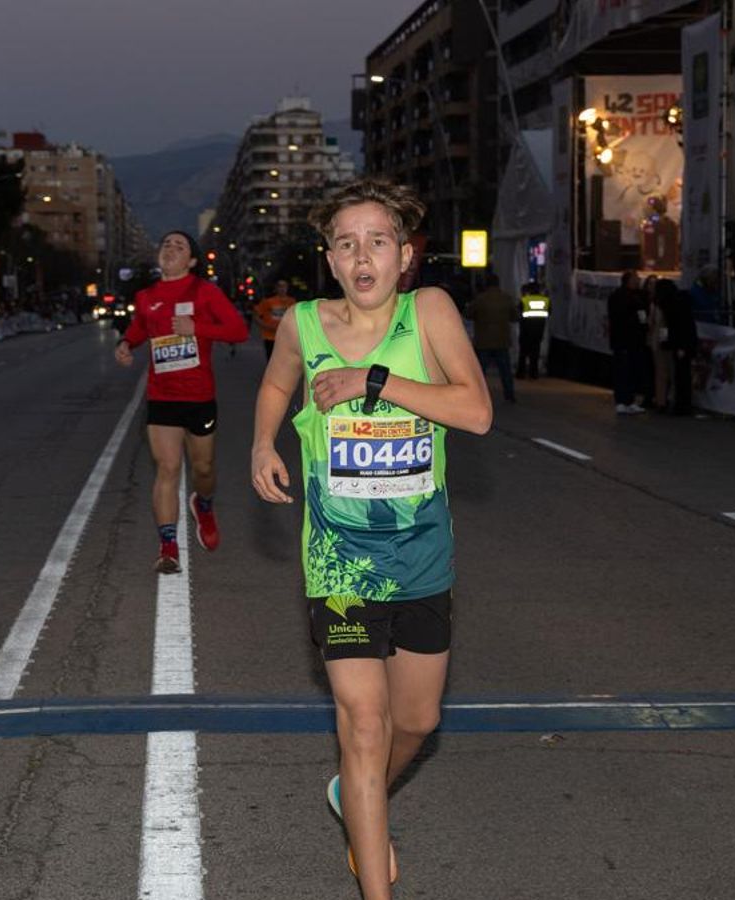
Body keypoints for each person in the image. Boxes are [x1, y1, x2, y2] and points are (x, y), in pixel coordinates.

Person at [250, 177, 491, 899]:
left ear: (405, 255)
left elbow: (475, 411)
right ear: (330, 260)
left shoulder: (431, 313)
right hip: (340, 562)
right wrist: (263, 442)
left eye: (378, 241)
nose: (363, 256)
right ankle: (372, 863)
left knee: (416, 722)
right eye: (347, 243)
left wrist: (372, 380)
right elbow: (273, 385)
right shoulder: (302, 323)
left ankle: (356, 802)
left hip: (422, 557)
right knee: (363, 723)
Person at [115, 230, 249, 573]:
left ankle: (203, 505)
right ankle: (168, 547)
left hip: (199, 397)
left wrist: (197, 327)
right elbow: (140, 328)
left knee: (203, 469)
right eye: (166, 244)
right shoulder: (147, 297)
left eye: (180, 246)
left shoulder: (205, 292)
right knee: (168, 467)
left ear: (191, 261)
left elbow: (238, 331)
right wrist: (126, 345)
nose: (170, 248)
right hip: (162, 397)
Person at [468, 272, 519, 403]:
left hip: (483, 340)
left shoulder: (480, 299)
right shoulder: (506, 298)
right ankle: (509, 395)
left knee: (480, 372)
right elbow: (515, 317)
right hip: (502, 340)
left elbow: (468, 314)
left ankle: (477, 396)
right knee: (505, 371)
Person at [607, 271, 648, 414]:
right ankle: (621, 400)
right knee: (623, 370)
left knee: (633, 370)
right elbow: (618, 319)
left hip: (634, 341)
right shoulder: (619, 297)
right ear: (628, 281)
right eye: (635, 279)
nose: (638, 281)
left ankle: (630, 400)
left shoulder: (638, 296)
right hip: (623, 340)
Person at [654, 279, 697, 415]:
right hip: (683, 342)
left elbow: (679, 326)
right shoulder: (679, 301)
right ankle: (682, 404)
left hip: (680, 343)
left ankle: (682, 405)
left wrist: (680, 346)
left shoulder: (673, 304)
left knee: (681, 374)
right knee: (681, 374)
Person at [254, 279, 298, 359]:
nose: (282, 289)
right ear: (276, 288)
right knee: (271, 359)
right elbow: (256, 315)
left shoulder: (292, 302)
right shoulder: (268, 302)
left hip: (286, 336)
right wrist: (265, 326)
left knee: (285, 359)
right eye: (280, 286)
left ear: (287, 288)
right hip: (270, 336)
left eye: (284, 286)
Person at [517, 281, 549, 378]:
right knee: (535, 353)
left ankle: (521, 373)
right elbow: (549, 312)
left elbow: (518, 311)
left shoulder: (524, 300)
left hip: (526, 330)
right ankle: (533, 373)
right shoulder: (545, 300)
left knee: (523, 353)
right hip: (538, 331)